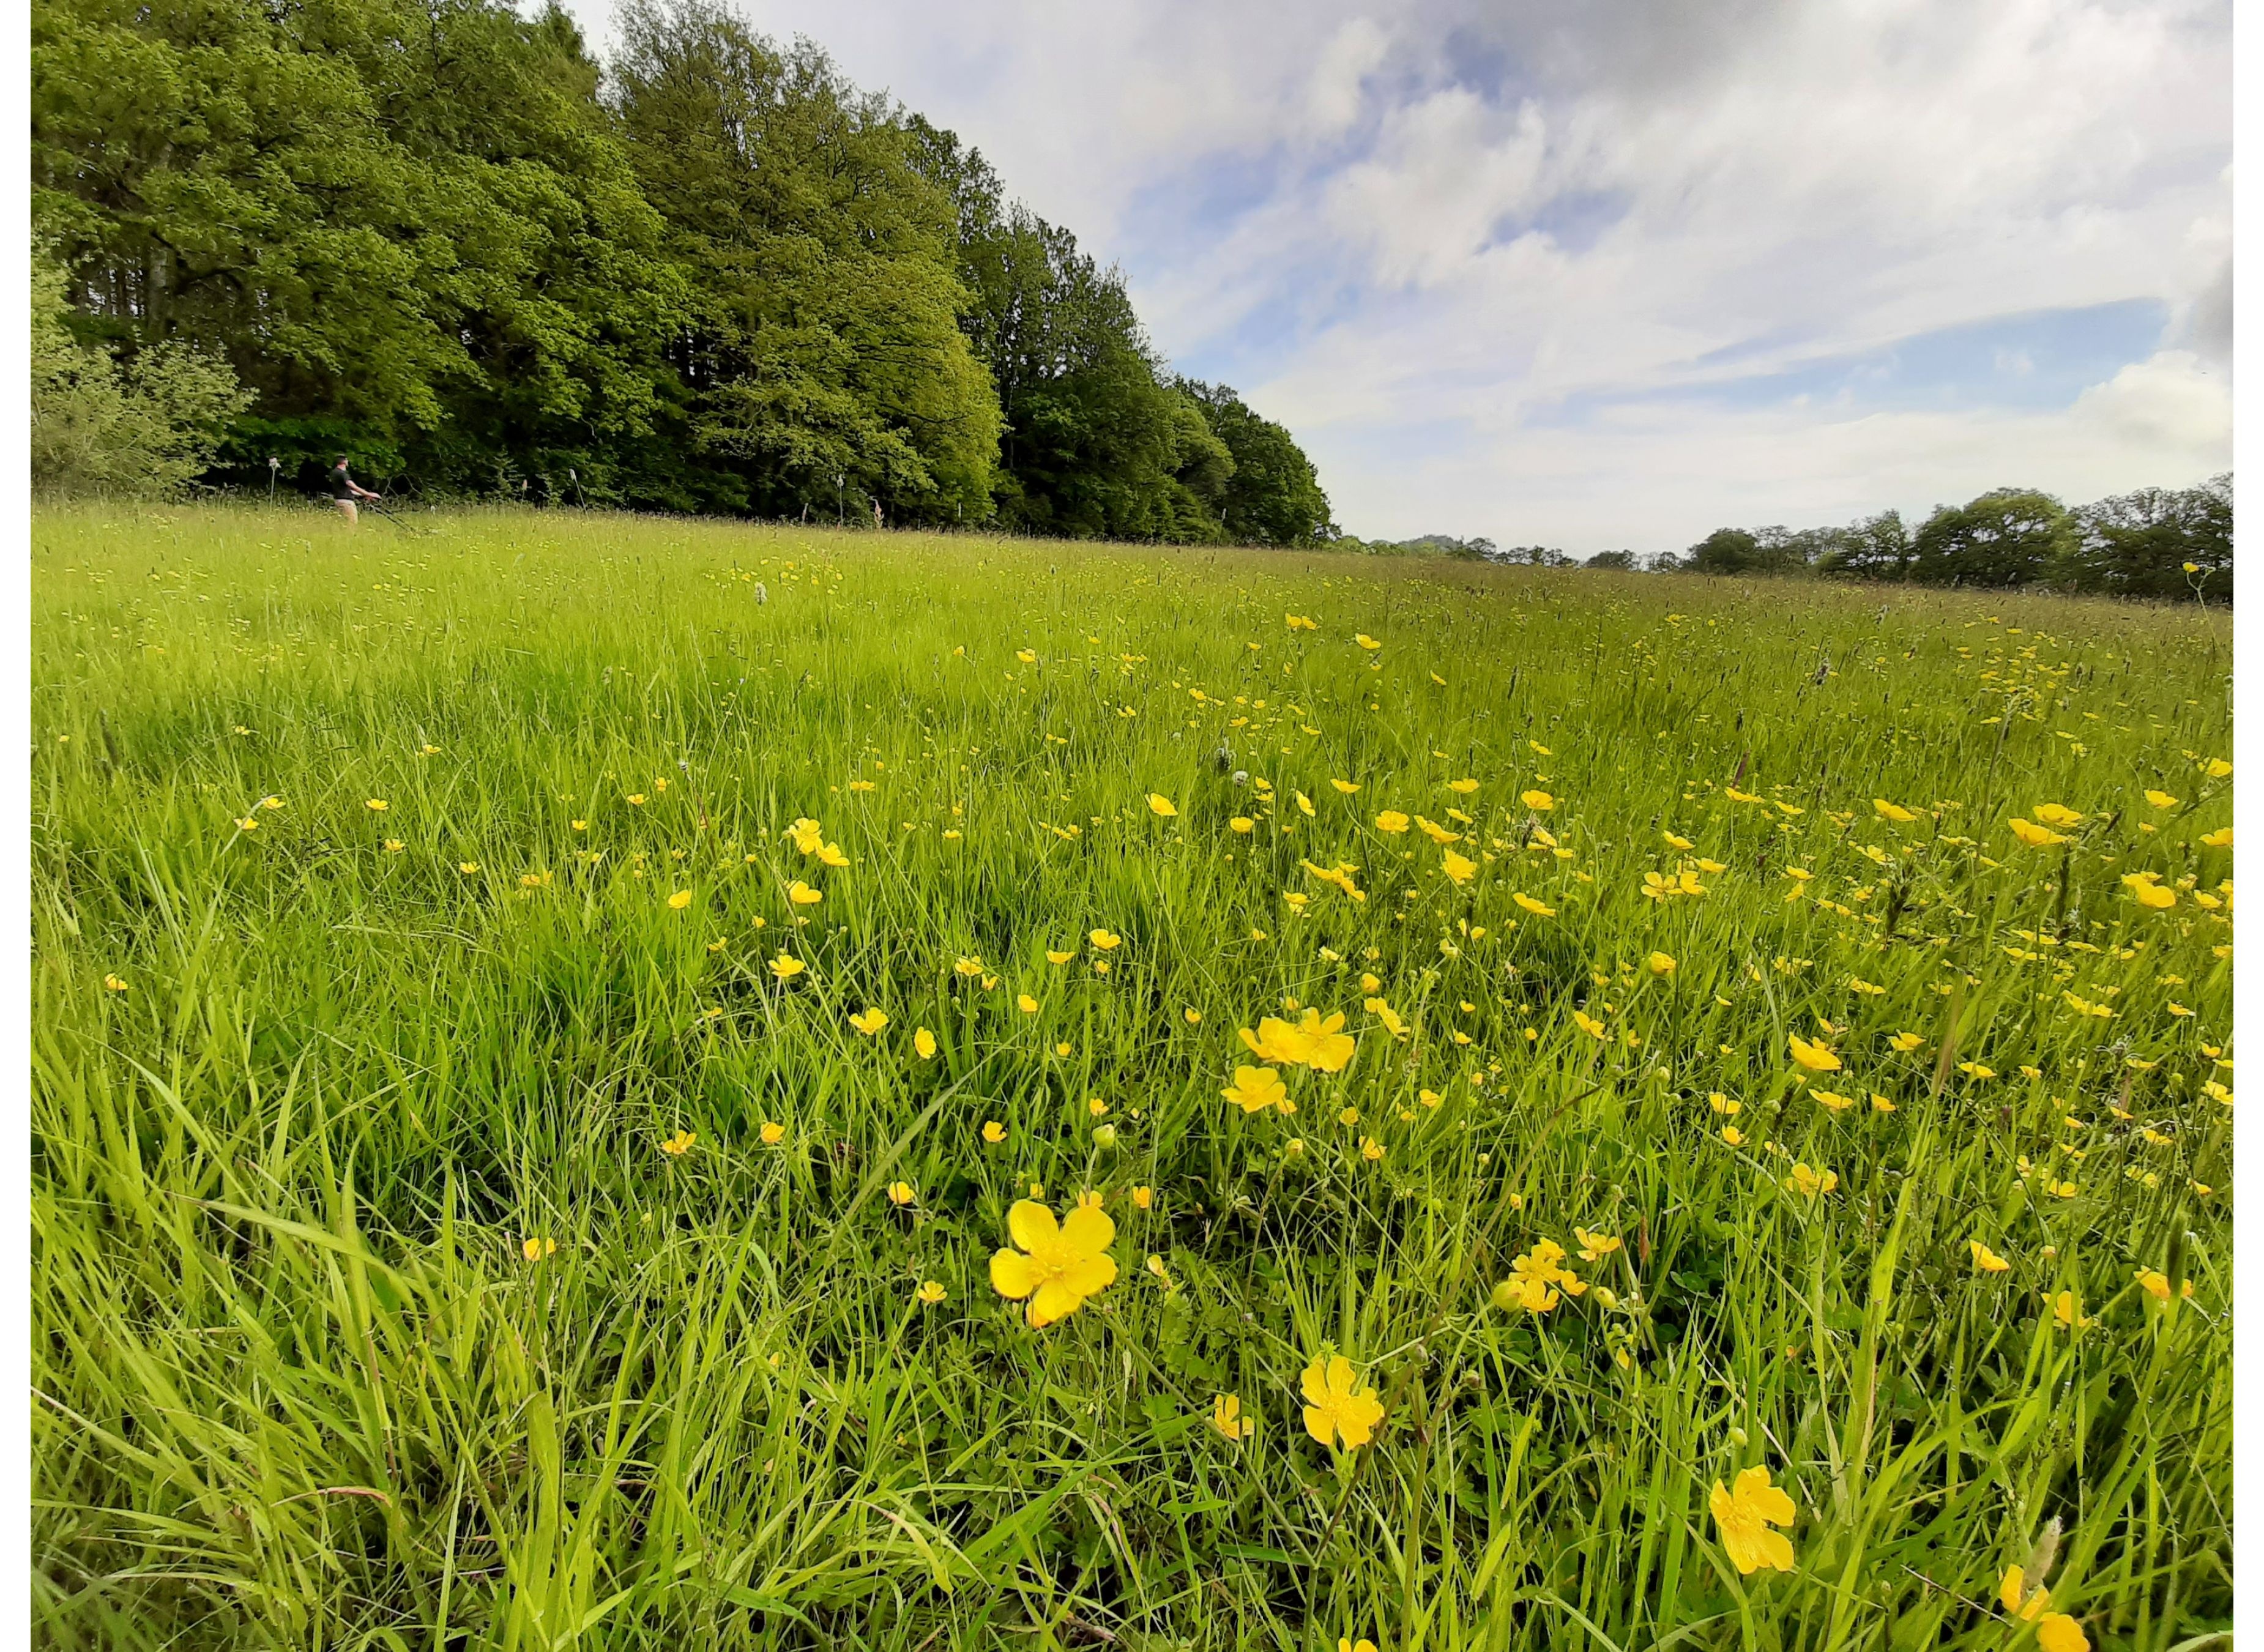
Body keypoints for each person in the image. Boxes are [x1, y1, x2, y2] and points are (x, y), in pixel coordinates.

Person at [327, 456, 381, 524]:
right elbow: (353, 486)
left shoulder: (334, 473)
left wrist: (363, 495)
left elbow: (348, 490)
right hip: (347, 503)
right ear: (344, 462)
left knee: (342, 523)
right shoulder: (343, 474)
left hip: (338, 501)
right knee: (352, 523)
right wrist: (369, 494)